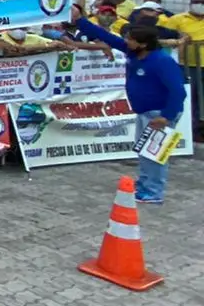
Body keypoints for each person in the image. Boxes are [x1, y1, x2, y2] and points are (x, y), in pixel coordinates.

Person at [71, 16, 186, 203]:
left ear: (143, 44)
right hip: (145, 112)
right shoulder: (133, 53)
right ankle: (143, 187)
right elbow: (107, 37)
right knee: (144, 152)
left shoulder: (162, 61)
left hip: (159, 114)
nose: (126, 41)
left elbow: (178, 91)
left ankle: (153, 193)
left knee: (154, 155)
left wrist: (167, 116)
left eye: (131, 39)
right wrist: (80, 21)